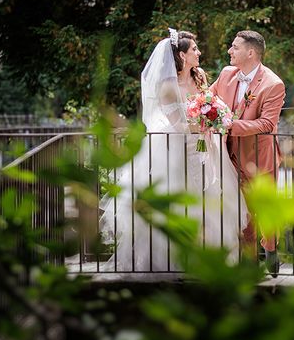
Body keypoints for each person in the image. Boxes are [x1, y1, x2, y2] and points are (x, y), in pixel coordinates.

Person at [99, 29, 247, 272]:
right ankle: (176, 261)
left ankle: (209, 259)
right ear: (181, 55)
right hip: (176, 149)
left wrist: (214, 117)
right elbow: (178, 124)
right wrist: (205, 123)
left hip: (204, 148)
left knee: (208, 201)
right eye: (194, 50)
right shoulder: (167, 87)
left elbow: (209, 103)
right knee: (181, 201)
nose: (199, 53)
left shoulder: (199, 76)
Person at [209, 30, 285, 276]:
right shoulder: (226, 74)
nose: (230, 51)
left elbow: (267, 124)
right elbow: (207, 100)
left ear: (250, 52)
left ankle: (271, 249)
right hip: (231, 156)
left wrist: (230, 125)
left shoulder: (273, 84)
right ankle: (251, 265)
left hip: (260, 159)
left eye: (234, 47)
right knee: (244, 214)